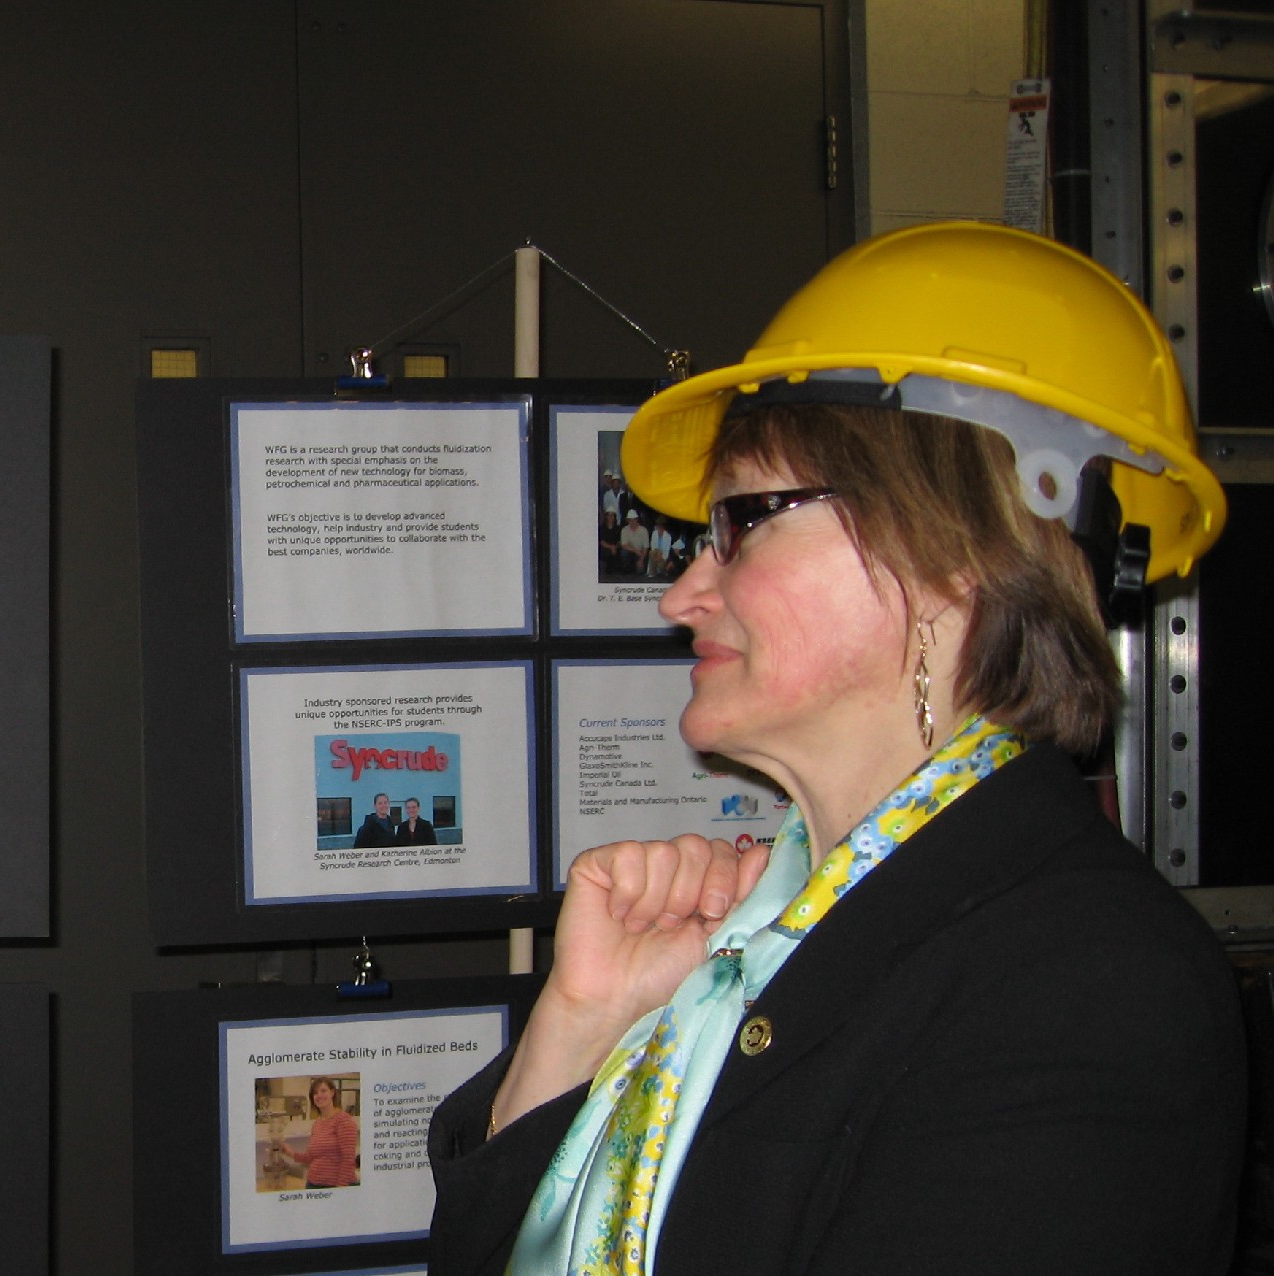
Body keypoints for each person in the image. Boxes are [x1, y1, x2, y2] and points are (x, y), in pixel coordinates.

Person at [426, 222, 1245, 1275]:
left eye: (743, 521)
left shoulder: (1084, 983)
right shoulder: (761, 942)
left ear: (952, 547)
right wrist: (577, 1033)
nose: (681, 593)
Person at [275, 1078, 361, 1188]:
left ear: (332, 1093)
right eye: (315, 1093)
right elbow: (310, 1157)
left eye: (323, 1091)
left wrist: (340, 1191)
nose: (319, 1095)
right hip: (312, 1184)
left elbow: (348, 1160)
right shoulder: (317, 1123)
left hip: (333, 1186)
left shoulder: (343, 1120)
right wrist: (290, 1153)